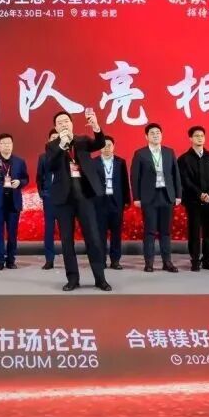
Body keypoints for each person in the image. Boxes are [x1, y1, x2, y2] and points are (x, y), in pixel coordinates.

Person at [46, 109, 110, 291]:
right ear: (56, 127)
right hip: (64, 200)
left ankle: (100, 278)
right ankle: (73, 279)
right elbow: (50, 166)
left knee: (93, 238)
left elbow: (99, 143)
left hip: (85, 197)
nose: (63, 124)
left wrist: (96, 126)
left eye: (66, 121)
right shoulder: (52, 146)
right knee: (67, 241)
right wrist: (61, 145)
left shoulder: (82, 141)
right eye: (60, 122)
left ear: (72, 124)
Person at [130, 123, 182, 273]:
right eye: (152, 133)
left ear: (162, 135)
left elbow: (176, 174)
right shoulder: (140, 154)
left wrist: (178, 194)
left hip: (167, 195)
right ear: (146, 136)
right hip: (149, 197)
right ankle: (149, 263)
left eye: (158, 132)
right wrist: (136, 197)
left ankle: (167, 262)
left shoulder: (169, 152)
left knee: (166, 232)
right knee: (150, 231)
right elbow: (135, 177)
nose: (155, 135)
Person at [0, 133, 30, 270]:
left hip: (13, 201)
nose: (7, 146)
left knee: (12, 233)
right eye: (4, 143)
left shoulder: (20, 161)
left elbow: (26, 179)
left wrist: (19, 182)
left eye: (9, 143)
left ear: (12, 145)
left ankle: (11, 260)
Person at [178, 125, 209, 272]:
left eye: (202, 136)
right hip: (193, 202)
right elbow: (185, 180)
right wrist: (199, 194)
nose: (199, 138)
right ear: (190, 138)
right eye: (196, 136)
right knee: (194, 232)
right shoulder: (184, 159)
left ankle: (207, 260)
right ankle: (195, 260)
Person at [92, 135, 131, 270]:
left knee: (116, 233)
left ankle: (115, 261)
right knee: (100, 233)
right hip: (100, 203)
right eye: (103, 145)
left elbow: (125, 182)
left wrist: (127, 200)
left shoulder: (120, 162)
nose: (106, 148)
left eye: (109, 145)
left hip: (116, 202)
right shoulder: (94, 162)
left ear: (113, 147)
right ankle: (101, 260)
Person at [36, 129, 62, 270]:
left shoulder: (67, 155)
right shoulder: (43, 157)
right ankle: (49, 259)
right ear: (48, 140)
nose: (55, 140)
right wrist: (42, 193)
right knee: (49, 229)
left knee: (65, 230)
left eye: (58, 137)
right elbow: (39, 177)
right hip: (49, 197)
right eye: (53, 137)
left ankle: (68, 258)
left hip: (64, 197)